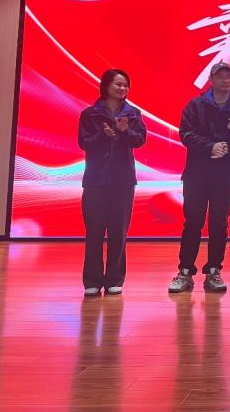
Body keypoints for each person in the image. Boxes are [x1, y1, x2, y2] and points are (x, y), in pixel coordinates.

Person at [168, 62, 230, 293]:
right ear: (211, 79)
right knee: (193, 223)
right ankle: (185, 272)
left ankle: (214, 271)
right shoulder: (196, 105)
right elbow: (185, 133)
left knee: (219, 223)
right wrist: (209, 147)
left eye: (229, 77)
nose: (225, 81)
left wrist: (228, 148)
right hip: (197, 174)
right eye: (220, 77)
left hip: (226, 175)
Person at [78, 68, 146, 296]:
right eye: (118, 84)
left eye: (125, 85)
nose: (122, 88)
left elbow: (140, 140)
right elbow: (84, 143)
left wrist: (124, 132)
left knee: (118, 232)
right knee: (94, 233)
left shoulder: (133, 114)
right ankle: (92, 280)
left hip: (122, 181)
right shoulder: (90, 114)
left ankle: (115, 279)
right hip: (95, 181)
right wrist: (103, 135)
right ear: (106, 85)